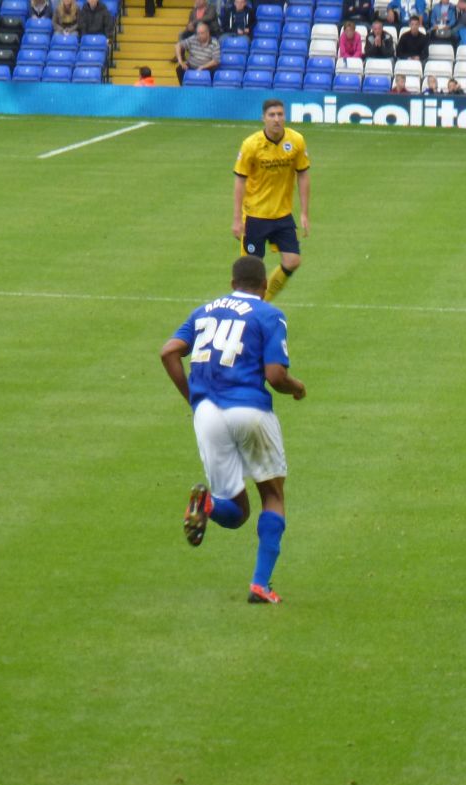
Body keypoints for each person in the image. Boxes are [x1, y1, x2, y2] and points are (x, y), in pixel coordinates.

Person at [159, 255, 307, 606]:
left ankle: (208, 503)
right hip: (249, 409)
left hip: (207, 414)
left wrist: (194, 399)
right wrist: (297, 386)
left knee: (236, 511)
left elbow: (169, 352)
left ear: (231, 284)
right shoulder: (269, 314)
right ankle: (260, 584)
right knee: (272, 495)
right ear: (263, 286)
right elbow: (275, 376)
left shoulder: (204, 311)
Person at [233, 98, 311, 302]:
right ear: (263, 118)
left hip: (282, 215)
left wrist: (304, 212)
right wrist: (236, 219)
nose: (277, 119)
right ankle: (243, 309)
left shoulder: (296, 141)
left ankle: (263, 301)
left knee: (293, 260)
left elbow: (303, 174)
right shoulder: (251, 145)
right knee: (250, 273)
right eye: (272, 115)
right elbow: (239, 181)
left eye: (280, 114)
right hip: (255, 216)